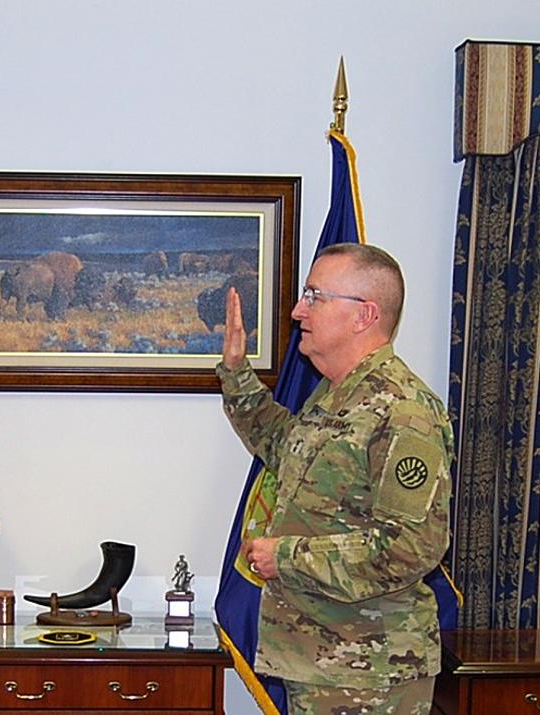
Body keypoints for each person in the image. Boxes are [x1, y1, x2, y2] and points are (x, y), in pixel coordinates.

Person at [216, 243, 452, 714]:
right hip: (322, 661)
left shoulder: (403, 412)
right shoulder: (337, 395)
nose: (297, 309)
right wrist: (238, 374)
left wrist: (283, 555)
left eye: (315, 296)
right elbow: (285, 446)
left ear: (363, 315)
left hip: (370, 672)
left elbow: (411, 547)